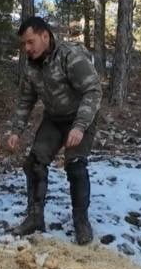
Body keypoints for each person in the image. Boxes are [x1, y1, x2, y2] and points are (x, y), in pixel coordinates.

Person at [6, 16, 102, 245]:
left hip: (81, 116)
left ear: (45, 36)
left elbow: (93, 90)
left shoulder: (70, 56)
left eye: (30, 42)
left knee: (75, 165)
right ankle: (35, 218)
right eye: (23, 44)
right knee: (35, 162)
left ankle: (81, 222)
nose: (26, 49)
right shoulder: (32, 65)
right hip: (54, 118)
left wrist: (79, 127)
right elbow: (25, 100)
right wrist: (16, 130)